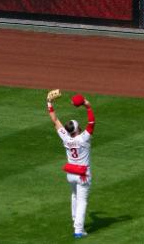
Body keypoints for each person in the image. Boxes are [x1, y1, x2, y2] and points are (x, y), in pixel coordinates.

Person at [45, 91, 95, 240]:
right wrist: (88, 106)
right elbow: (92, 123)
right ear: (78, 129)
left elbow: (55, 121)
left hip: (71, 174)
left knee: (74, 195)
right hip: (83, 175)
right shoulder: (84, 138)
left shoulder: (65, 137)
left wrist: (49, 103)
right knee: (82, 201)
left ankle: (75, 219)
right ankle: (78, 230)